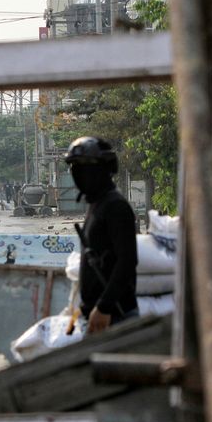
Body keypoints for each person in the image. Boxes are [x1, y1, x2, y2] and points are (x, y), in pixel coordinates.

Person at [65, 136, 138, 335]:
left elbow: (127, 261)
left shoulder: (115, 206)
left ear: (105, 169)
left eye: (88, 167)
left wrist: (105, 306)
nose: (81, 174)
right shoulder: (96, 204)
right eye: (76, 167)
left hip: (114, 317)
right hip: (97, 315)